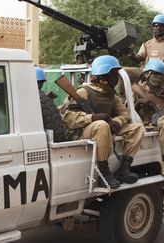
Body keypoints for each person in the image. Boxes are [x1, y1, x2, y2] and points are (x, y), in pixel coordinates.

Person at [62, 55, 145, 188]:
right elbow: (69, 118)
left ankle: (124, 168)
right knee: (101, 125)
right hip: (81, 132)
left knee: (137, 128)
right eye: (114, 74)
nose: (116, 78)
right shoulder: (83, 91)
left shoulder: (111, 94)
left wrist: (116, 122)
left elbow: (124, 114)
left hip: (104, 130)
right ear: (104, 75)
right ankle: (104, 173)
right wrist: (92, 118)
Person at [129, 14, 164, 89]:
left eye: (162, 26)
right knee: (124, 73)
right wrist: (132, 55)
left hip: (162, 77)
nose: (158, 28)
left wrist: (154, 70)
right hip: (146, 76)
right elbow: (139, 58)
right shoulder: (147, 44)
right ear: (153, 27)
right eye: (156, 25)